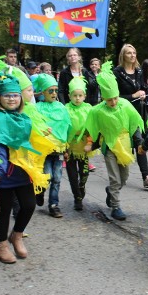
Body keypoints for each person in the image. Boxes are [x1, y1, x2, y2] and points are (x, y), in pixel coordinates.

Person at [0, 66, 49, 264]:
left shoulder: (24, 116)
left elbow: (29, 140)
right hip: (2, 172)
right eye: (7, 96)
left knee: (29, 205)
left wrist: (43, 135)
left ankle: (16, 235)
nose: (12, 99)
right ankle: (2, 245)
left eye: (15, 95)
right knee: (5, 208)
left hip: (22, 169)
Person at [85, 61, 144, 221]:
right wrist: (91, 143)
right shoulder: (98, 111)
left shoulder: (125, 106)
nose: (113, 102)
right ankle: (116, 206)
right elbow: (91, 128)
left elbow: (134, 126)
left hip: (124, 147)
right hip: (109, 146)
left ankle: (111, 191)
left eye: (116, 98)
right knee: (115, 178)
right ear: (104, 97)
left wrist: (139, 143)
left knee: (123, 178)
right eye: (110, 99)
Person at [113, 44, 148, 189]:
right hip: (122, 114)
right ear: (123, 55)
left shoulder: (139, 71)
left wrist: (143, 93)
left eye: (134, 53)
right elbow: (114, 97)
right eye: (129, 53)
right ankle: (119, 176)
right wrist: (132, 95)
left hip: (138, 114)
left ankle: (146, 177)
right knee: (123, 146)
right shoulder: (117, 72)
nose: (132, 55)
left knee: (140, 142)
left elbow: (143, 88)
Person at [33, 73, 72, 218]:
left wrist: (67, 148)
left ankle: (54, 205)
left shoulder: (61, 107)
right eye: (50, 90)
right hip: (45, 150)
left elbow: (67, 127)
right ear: (43, 92)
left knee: (57, 178)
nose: (54, 93)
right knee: (47, 177)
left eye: (56, 90)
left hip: (60, 150)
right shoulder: (37, 108)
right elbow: (36, 127)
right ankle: (40, 190)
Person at [64, 76, 96, 210]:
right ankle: (77, 197)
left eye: (80, 95)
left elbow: (92, 128)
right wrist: (64, 148)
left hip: (83, 147)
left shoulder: (89, 109)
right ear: (69, 96)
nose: (77, 98)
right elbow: (63, 129)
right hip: (70, 148)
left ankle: (82, 186)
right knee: (72, 175)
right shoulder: (65, 109)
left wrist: (90, 143)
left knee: (84, 173)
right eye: (74, 95)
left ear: (84, 96)